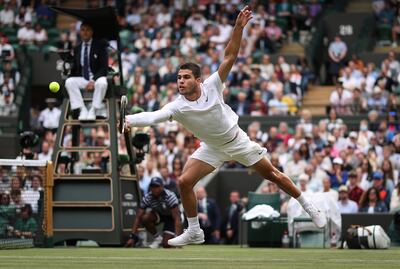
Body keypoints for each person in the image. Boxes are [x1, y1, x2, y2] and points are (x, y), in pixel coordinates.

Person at [125, 6, 326, 247]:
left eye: (186, 77)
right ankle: (195, 231)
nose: (181, 81)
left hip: (237, 141)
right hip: (212, 147)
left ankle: (308, 205)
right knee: (184, 182)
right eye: (179, 78)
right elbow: (154, 117)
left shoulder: (212, 85)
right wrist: (127, 120)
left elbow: (230, 56)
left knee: (272, 174)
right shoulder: (176, 106)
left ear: (198, 80)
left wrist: (238, 28)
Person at [65, 22, 108, 121]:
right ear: (80, 32)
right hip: (83, 79)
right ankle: (82, 109)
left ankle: (93, 109)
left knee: (103, 83)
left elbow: (103, 67)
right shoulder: (77, 48)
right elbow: (76, 68)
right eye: (83, 30)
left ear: (92, 32)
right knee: (69, 82)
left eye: (87, 30)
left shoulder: (100, 46)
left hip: (96, 78)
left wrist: (93, 81)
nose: (85, 32)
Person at [125, 177, 182, 248]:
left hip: (171, 218)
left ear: (162, 187)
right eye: (152, 186)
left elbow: (176, 218)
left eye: (157, 186)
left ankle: (171, 239)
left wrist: (177, 239)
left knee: (166, 244)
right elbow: (138, 217)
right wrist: (132, 237)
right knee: (145, 218)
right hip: (159, 214)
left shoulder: (170, 196)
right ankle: (158, 239)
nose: (154, 189)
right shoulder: (147, 197)